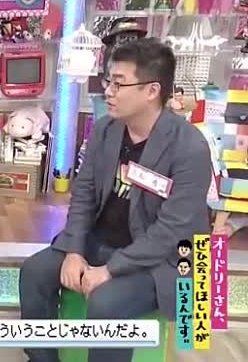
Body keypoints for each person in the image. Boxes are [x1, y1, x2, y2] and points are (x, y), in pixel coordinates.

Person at [19, 38, 212, 362]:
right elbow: (83, 194)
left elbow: (172, 230)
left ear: (152, 90)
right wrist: (74, 250)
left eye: (119, 84)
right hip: (100, 240)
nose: (108, 91)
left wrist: (111, 270)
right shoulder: (105, 130)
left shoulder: (189, 147)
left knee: (107, 302)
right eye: (108, 81)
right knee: (35, 272)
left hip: (161, 259)